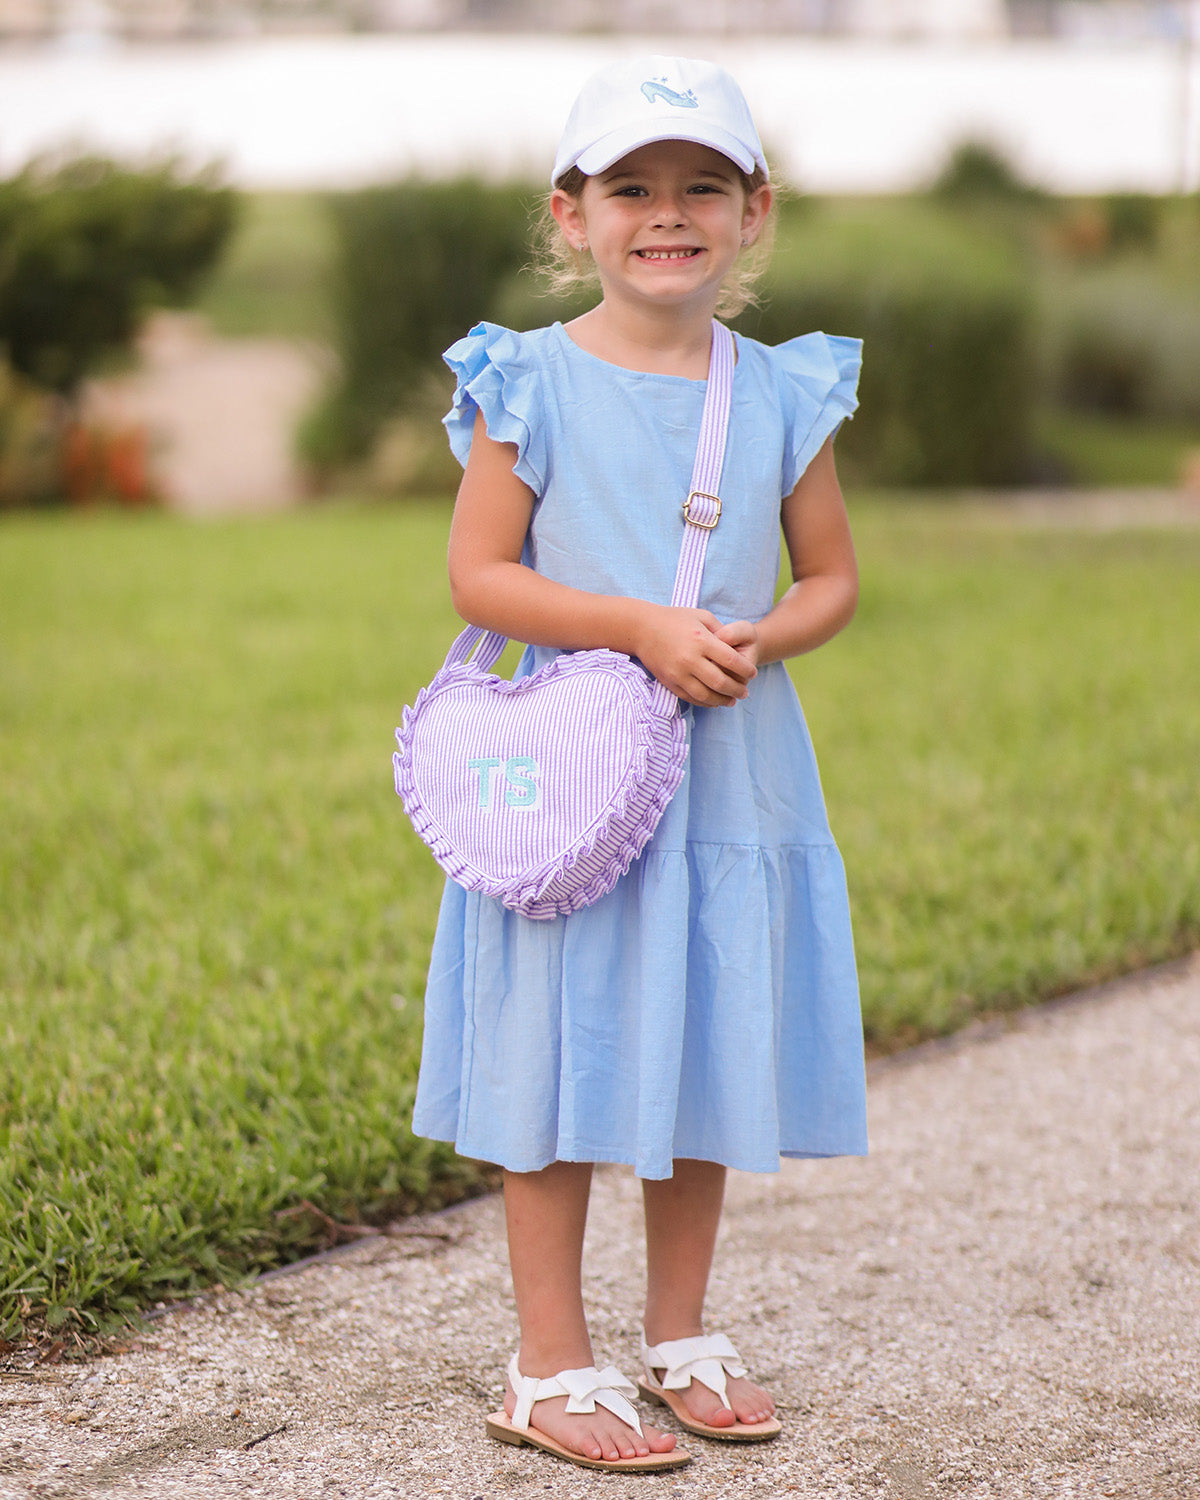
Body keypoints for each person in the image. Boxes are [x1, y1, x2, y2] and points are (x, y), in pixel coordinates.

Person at [411, 54, 868, 1473]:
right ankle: (548, 1365)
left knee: (703, 1039)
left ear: (752, 211)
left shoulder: (783, 389)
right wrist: (636, 629)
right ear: (571, 214)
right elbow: (480, 576)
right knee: (557, 1053)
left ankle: (680, 1333)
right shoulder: (527, 381)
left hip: (731, 770)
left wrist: (757, 639)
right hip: (575, 777)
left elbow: (832, 578)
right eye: (631, 189)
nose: (667, 214)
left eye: (701, 188)